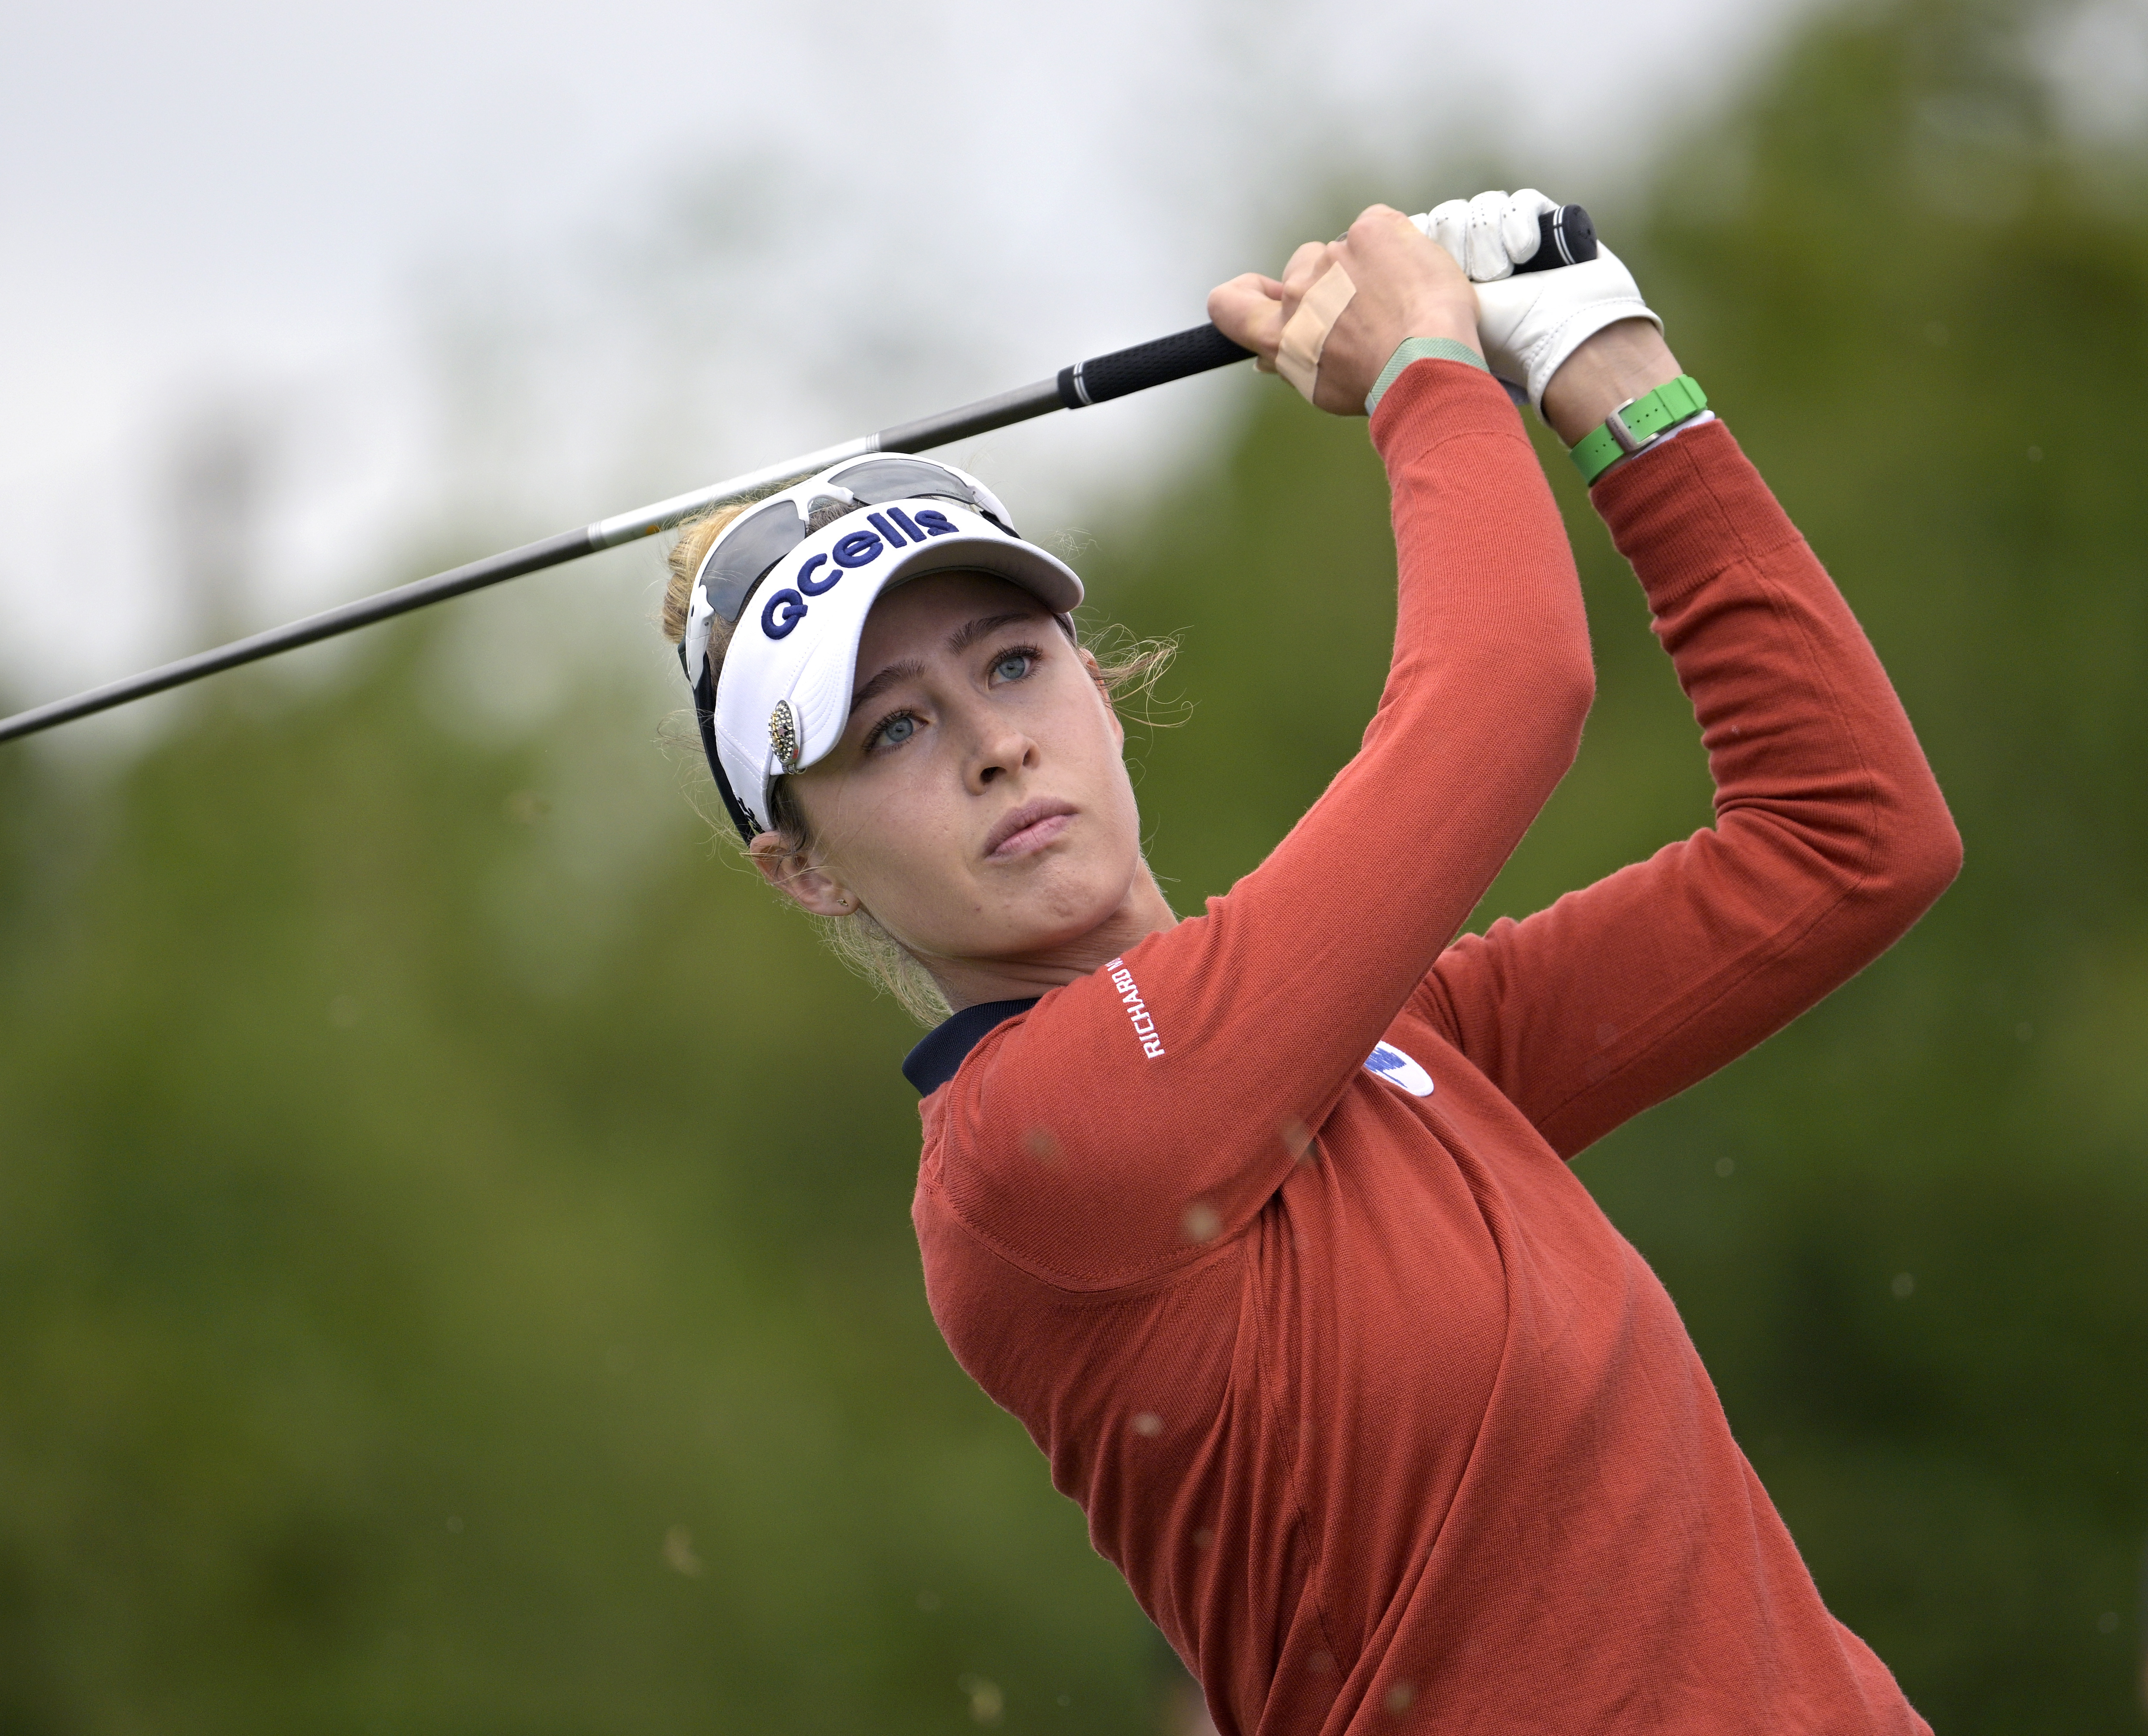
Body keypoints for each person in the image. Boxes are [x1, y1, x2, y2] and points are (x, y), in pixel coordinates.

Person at [660, 190, 1960, 1733]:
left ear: (1098, 685)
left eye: (1010, 664)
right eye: (891, 729)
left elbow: (1847, 840)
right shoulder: (1038, 1151)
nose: (993, 746)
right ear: (800, 868)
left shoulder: (1405, 1048)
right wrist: (1428, 369)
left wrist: (1607, 369)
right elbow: (1507, 687)